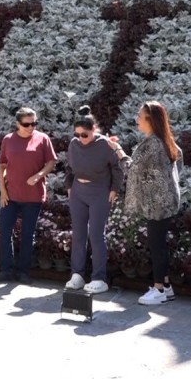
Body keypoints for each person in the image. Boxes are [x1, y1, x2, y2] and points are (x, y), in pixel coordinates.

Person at [107, 101, 182, 305]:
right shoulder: (165, 140)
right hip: (167, 200)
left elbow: (132, 169)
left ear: (150, 119)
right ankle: (166, 286)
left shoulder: (151, 144)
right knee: (160, 244)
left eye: (139, 116)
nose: (137, 119)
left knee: (156, 245)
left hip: (157, 203)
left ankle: (158, 288)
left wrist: (118, 151)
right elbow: (179, 161)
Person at [0, 107, 57, 284]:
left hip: (33, 196)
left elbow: (51, 162)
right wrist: (3, 191)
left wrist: (38, 176)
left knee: (28, 235)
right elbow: (1, 166)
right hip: (11, 195)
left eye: (34, 123)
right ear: (17, 124)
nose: (31, 127)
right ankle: (6, 270)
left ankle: (23, 272)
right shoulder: (8, 140)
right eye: (26, 124)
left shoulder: (42, 139)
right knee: (4, 232)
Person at [64, 105, 123, 294]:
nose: (81, 138)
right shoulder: (74, 144)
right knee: (79, 234)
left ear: (94, 130)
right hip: (78, 191)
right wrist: (69, 187)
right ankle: (77, 274)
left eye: (85, 134)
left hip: (99, 191)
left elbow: (117, 168)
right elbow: (69, 167)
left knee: (96, 235)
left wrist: (114, 189)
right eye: (78, 134)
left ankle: (99, 278)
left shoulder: (106, 144)